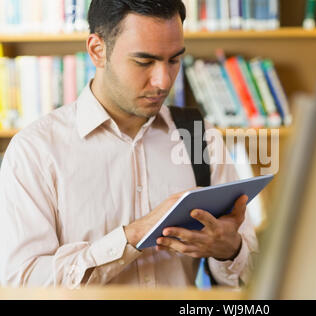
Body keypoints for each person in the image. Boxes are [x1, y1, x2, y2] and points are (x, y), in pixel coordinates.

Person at [0, 0, 258, 288]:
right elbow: (21, 284)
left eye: (173, 60)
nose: (163, 81)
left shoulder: (200, 137)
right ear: (98, 51)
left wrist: (230, 250)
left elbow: (254, 276)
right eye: (144, 62)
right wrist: (132, 236)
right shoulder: (35, 152)